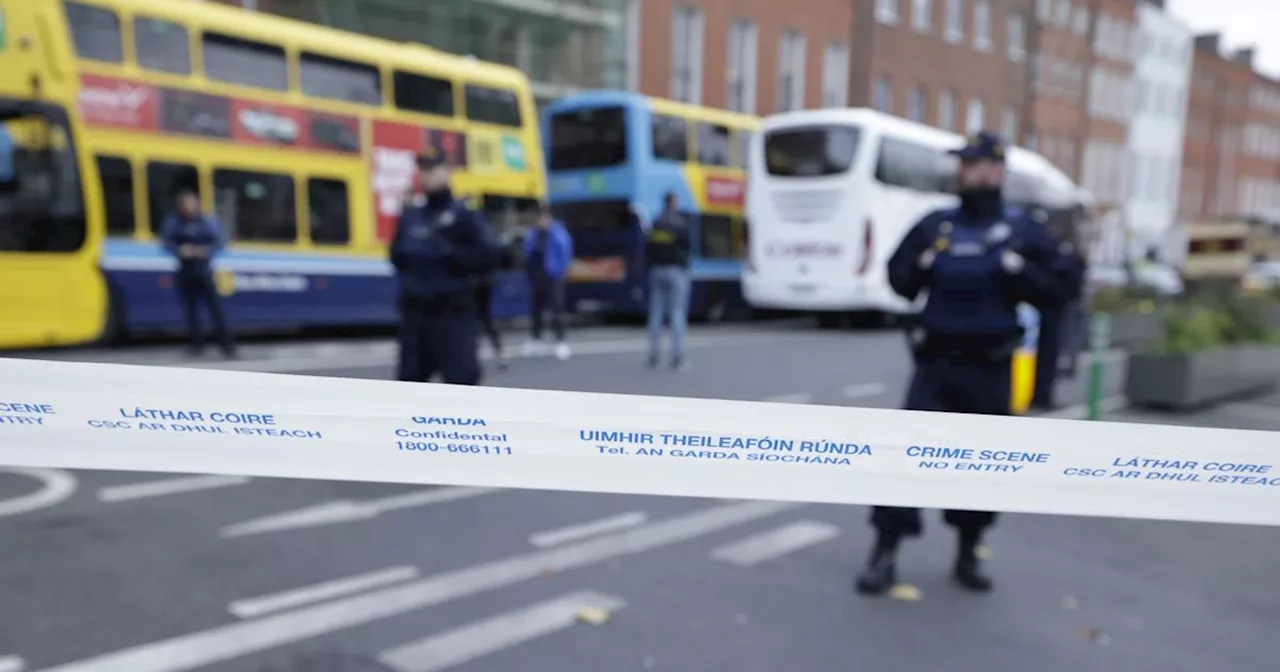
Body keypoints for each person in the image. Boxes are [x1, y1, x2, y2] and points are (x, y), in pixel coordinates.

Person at [855, 131, 1075, 596]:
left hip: (990, 369)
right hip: (935, 366)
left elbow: (1061, 292)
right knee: (903, 464)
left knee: (981, 470)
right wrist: (924, 266)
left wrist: (1021, 273)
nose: (965, 173)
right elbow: (899, 279)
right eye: (962, 165)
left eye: (973, 165)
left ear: (996, 170)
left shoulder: (1022, 230)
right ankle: (885, 553)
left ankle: (968, 551)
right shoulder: (938, 225)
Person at [390, 152, 498, 385]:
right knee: (409, 386)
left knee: (461, 386)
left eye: (432, 168)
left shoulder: (464, 214)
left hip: (453, 314)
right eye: (423, 169)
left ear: (447, 171)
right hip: (416, 315)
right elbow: (397, 256)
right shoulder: (412, 215)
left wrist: (448, 254)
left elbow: (488, 256)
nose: (426, 175)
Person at [159, 190, 236, 358]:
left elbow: (220, 241)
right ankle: (197, 345)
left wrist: (205, 251)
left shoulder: (207, 220)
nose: (188, 208)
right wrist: (180, 251)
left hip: (204, 269)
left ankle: (227, 345)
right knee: (191, 310)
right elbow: (166, 242)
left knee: (216, 309)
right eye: (185, 205)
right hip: (185, 269)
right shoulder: (174, 221)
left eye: (191, 204)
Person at [1032, 210, 1087, 409]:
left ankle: (1042, 394)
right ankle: (1041, 395)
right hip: (1054, 307)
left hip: (1059, 306)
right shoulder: (1060, 250)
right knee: (1049, 353)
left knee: (1052, 352)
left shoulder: (1061, 248)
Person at [645, 192, 693, 371]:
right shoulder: (681, 223)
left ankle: (653, 356)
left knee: (655, 315)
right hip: (676, 272)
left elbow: (648, 248)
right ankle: (677, 357)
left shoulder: (656, 222)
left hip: (657, 270)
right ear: (674, 202)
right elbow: (687, 248)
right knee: (677, 314)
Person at [521, 203, 574, 360]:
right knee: (536, 309)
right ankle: (536, 340)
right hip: (537, 275)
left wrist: (561, 270)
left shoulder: (558, 233)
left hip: (553, 275)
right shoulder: (533, 233)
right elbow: (527, 252)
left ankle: (561, 341)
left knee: (557, 308)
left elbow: (565, 253)